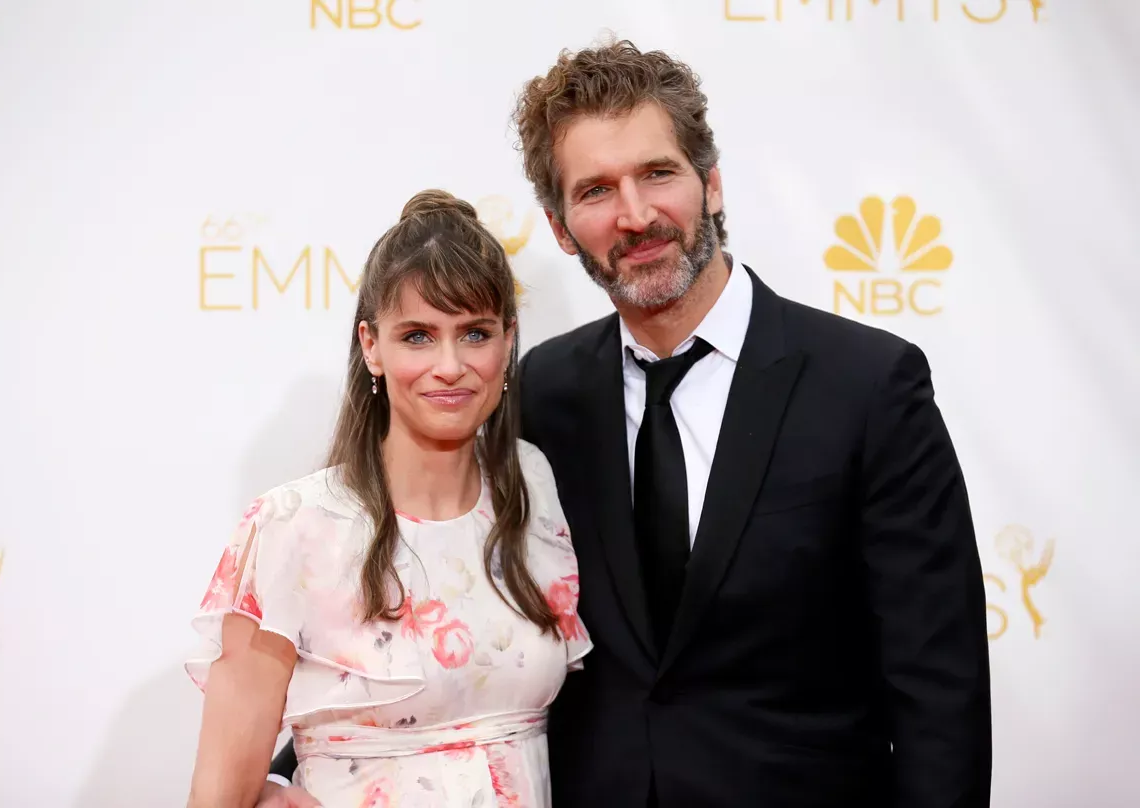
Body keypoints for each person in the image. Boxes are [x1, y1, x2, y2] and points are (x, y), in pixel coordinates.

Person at [263, 38, 993, 807]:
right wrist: (296, 768)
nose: (635, 216)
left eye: (657, 174)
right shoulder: (540, 392)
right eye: (596, 191)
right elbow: (444, 603)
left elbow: (937, 687)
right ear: (559, 225)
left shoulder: (868, 386)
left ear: (711, 184)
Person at [185, 189, 591, 808]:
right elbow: (219, 798)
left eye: (474, 333)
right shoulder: (293, 526)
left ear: (508, 342)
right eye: (419, 336)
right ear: (372, 345)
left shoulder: (531, 485)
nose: (450, 365)